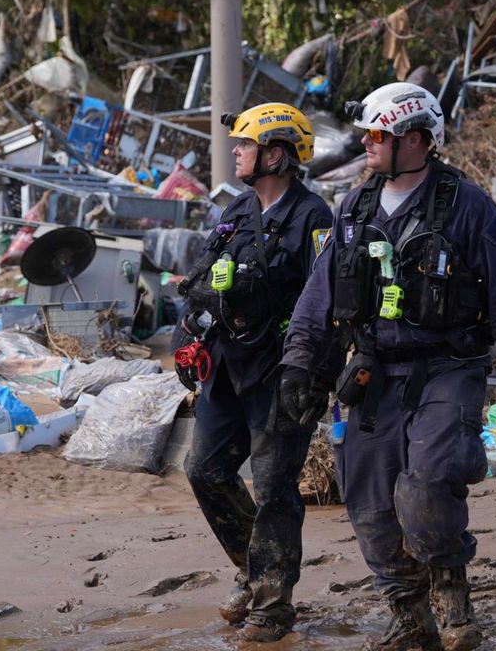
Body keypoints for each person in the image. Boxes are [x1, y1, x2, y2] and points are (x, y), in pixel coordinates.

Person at [276, 83, 496, 651]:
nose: (368, 144)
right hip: (371, 375)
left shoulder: (467, 206)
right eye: (368, 134)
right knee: (368, 500)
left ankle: (451, 600)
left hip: (448, 369)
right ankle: (408, 614)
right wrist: (301, 367)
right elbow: (319, 298)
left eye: (380, 135)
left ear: (417, 140)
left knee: (428, 483)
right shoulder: (352, 208)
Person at [175, 102, 334, 643]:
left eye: (245, 144)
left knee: (273, 488)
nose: (236, 152)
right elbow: (203, 280)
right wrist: (186, 338)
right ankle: (253, 569)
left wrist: (312, 371)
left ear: (276, 153)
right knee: (205, 471)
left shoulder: (315, 219)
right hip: (225, 367)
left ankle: (272, 603)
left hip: (281, 373)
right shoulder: (237, 212)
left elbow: (328, 301)